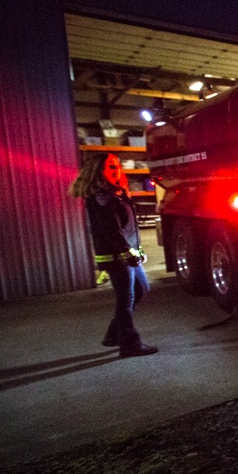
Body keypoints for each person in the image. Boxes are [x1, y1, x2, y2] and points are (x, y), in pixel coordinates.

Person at [69, 153, 158, 357]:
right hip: (117, 256)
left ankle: (113, 335)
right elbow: (112, 230)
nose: (117, 169)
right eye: (111, 166)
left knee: (141, 289)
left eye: (117, 165)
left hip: (127, 254)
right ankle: (129, 345)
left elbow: (128, 228)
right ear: (98, 170)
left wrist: (138, 250)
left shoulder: (115, 193)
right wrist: (127, 252)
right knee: (126, 298)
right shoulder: (102, 196)